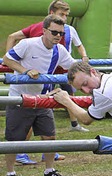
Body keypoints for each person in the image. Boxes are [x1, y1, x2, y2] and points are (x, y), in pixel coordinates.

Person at [5, 0, 89, 156]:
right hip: (25, 91)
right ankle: (18, 157)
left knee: (50, 132)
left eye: (66, 16)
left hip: (50, 84)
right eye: (61, 14)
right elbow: (11, 44)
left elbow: (74, 59)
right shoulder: (33, 35)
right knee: (19, 132)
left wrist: (88, 66)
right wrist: (23, 70)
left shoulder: (64, 39)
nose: (58, 35)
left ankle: (49, 165)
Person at [2, 14, 75, 176]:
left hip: (43, 100)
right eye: (54, 32)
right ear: (44, 31)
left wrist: (91, 71)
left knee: (49, 137)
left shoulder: (60, 51)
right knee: (14, 140)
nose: (58, 36)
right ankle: (10, 173)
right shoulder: (28, 44)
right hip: (21, 99)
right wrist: (25, 70)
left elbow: (73, 67)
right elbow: (7, 59)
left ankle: (49, 171)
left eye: (61, 34)